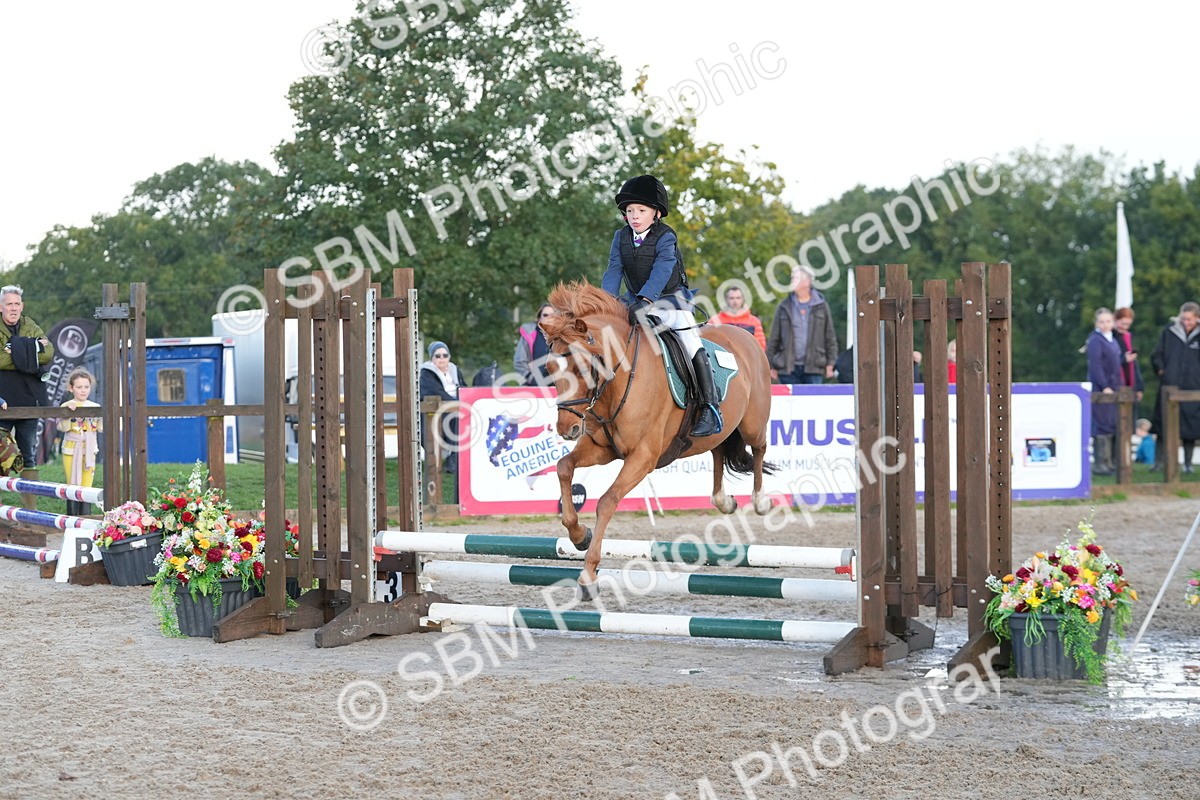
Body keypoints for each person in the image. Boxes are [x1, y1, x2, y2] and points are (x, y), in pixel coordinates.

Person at [601, 174, 723, 437]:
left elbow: (661, 270)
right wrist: (607, 305)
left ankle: (709, 407)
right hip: (634, 302)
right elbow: (614, 270)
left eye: (641, 210)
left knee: (692, 344)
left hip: (671, 301)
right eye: (630, 210)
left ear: (656, 213)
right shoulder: (620, 237)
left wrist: (646, 299)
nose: (634, 216)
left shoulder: (666, 237)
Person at [0, 285, 54, 508]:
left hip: (29, 399)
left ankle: (30, 512)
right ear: (1, 307)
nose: (13, 308)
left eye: (16, 304)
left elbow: (49, 353)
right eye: (9, 304)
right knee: (1, 456)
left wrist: (15, 350)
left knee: (29, 456)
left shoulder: (31, 325)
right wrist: (30, 351)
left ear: (22, 306)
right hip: (2, 400)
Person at [766, 265, 839, 384]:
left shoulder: (821, 306)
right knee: (790, 403)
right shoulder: (784, 306)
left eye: (795, 278)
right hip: (787, 368)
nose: (792, 281)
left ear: (807, 282)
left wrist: (831, 363)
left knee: (814, 403)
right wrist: (768, 365)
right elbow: (774, 337)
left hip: (814, 367)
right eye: (792, 278)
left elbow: (829, 336)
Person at [1150, 301, 1200, 474]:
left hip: (1193, 387)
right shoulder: (1169, 331)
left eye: (1190, 320)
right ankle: (1158, 463)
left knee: (1191, 428)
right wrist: (1161, 369)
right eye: (1183, 319)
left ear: (1197, 319)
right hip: (1169, 385)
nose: (1186, 322)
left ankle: (1187, 464)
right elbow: (1157, 354)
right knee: (1163, 426)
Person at [58, 368, 101, 517]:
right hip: (71, 449)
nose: (83, 391)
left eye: (86, 387)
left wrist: (101, 415)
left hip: (90, 449)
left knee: (87, 484)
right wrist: (68, 414)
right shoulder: (66, 405)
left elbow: (100, 428)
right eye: (79, 387)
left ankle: (85, 518)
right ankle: (71, 518)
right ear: (71, 388)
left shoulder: (95, 407)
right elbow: (63, 428)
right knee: (72, 483)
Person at [419, 341, 465, 474]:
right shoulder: (427, 373)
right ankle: (453, 459)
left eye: (445, 355)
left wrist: (464, 402)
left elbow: (463, 387)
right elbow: (435, 392)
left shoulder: (454, 370)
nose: (442, 359)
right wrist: (457, 404)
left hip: (457, 407)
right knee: (455, 417)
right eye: (437, 356)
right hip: (437, 410)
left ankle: (459, 458)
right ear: (431, 358)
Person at [1087, 307, 1122, 476]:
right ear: (1096, 323)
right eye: (1101, 321)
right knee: (1101, 425)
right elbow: (1096, 366)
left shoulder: (1112, 340)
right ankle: (1100, 464)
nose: (1105, 324)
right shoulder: (1095, 340)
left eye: (1108, 321)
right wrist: (1104, 385)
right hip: (1101, 389)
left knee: (1111, 423)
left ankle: (1109, 463)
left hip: (1113, 387)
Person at [713, 286, 766, 350]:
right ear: (727, 299)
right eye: (731, 298)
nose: (735, 301)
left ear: (742, 299)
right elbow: (709, 344)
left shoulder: (754, 321)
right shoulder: (715, 320)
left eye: (738, 298)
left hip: (747, 357)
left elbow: (761, 346)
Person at [515, 304, 556, 386]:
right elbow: (519, 362)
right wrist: (531, 379)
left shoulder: (562, 337)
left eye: (552, 315)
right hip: (533, 388)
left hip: (559, 389)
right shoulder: (529, 334)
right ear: (539, 318)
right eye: (545, 315)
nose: (549, 318)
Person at [1113, 307, 1144, 404]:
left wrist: (1139, 387)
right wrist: (1123, 359)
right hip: (1116, 383)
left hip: (1130, 384)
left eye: (1128, 325)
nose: (1125, 327)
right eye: (1123, 324)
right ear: (1115, 320)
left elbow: (1134, 365)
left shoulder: (1128, 337)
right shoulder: (1110, 337)